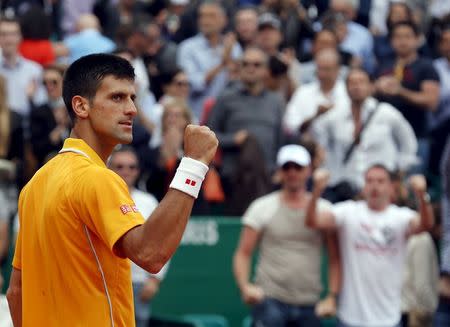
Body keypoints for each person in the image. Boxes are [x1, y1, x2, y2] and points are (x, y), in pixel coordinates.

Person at [6, 53, 218, 326]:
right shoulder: (97, 178)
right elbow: (150, 254)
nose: (131, 109)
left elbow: (16, 293)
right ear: (81, 107)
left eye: (132, 98)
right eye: (117, 98)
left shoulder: (35, 184)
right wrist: (193, 165)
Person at [306, 165, 434, 327]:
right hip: (350, 318)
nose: (375, 186)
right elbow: (312, 221)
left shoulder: (400, 217)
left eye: (380, 181)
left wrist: (422, 195)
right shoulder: (348, 212)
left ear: (391, 186)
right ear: (363, 186)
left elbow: (425, 224)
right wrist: (316, 190)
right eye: (369, 181)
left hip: (388, 319)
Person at [233, 144, 340, 326]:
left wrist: (331, 296)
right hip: (270, 300)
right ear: (280, 171)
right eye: (287, 167)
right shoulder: (262, 207)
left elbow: (334, 258)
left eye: (298, 167)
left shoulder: (323, 209)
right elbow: (243, 252)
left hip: (309, 303)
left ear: (308, 170)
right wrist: (245, 287)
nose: (292, 172)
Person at [312, 68, 417, 202]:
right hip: (347, 188)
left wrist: (400, 173)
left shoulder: (386, 113)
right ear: (346, 88)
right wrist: (330, 172)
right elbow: (319, 141)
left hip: (381, 185)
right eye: (352, 83)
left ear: (371, 86)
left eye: (361, 82)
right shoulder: (335, 115)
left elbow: (409, 142)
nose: (357, 87)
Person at [108, 146, 169, 327]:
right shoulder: (100, 196)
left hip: (139, 282)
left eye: (131, 167)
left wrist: (155, 279)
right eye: (119, 166)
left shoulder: (148, 201)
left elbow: (163, 240)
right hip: (106, 280)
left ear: (138, 171)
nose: (126, 171)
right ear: (109, 168)